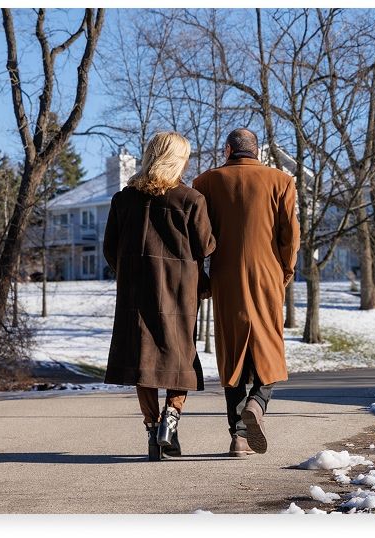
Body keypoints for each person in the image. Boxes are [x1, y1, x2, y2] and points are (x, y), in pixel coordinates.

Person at [103, 132, 215, 461]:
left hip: (136, 293)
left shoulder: (123, 200)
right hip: (179, 292)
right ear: (177, 160)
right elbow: (206, 245)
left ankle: (153, 432)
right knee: (179, 359)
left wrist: (129, 271)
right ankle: (171, 418)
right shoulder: (191, 200)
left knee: (144, 362)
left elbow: (111, 249)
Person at [193, 128, 300, 457]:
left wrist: (204, 278)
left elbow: (198, 238)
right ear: (257, 151)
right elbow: (290, 235)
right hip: (268, 274)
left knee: (232, 352)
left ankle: (238, 437)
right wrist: (285, 271)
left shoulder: (205, 183)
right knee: (270, 347)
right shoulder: (281, 181)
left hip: (226, 277)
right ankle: (258, 402)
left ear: (228, 150)